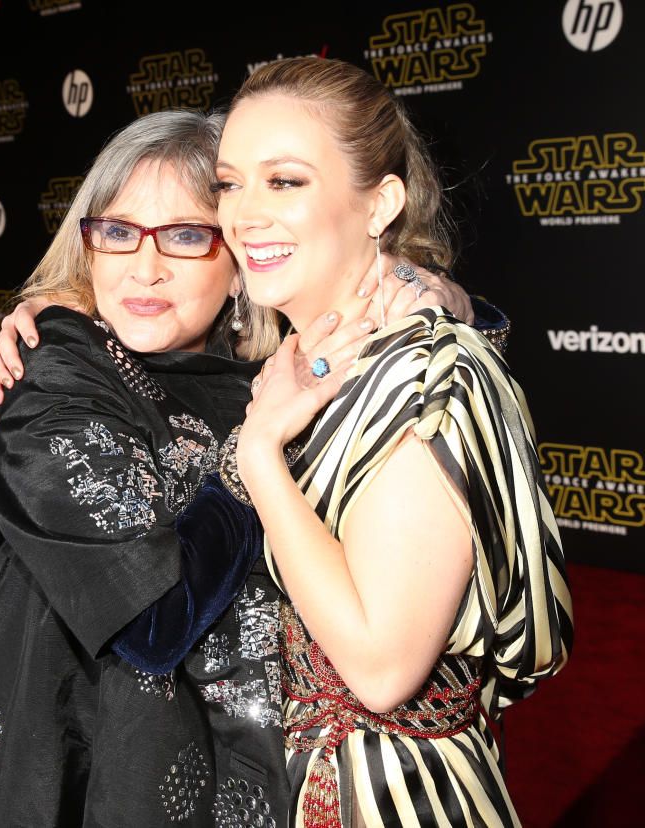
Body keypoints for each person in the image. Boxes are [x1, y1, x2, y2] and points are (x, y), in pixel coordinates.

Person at [0, 108, 462, 827]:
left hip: (249, 778)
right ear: (89, 245)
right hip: (98, 784)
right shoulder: (57, 381)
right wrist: (252, 454)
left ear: (241, 263)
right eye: (119, 233)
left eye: (188, 236)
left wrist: (430, 289)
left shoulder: (266, 374)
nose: (145, 268)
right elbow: (152, 620)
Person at [215, 58, 573, 827]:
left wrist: (257, 458)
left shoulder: (424, 379)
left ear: (379, 204)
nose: (242, 215)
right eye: (228, 183)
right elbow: (141, 243)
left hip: (394, 795)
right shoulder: (294, 355)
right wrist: (53, 310)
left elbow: (380, 667)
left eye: (285, 181)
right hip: (300, 779)